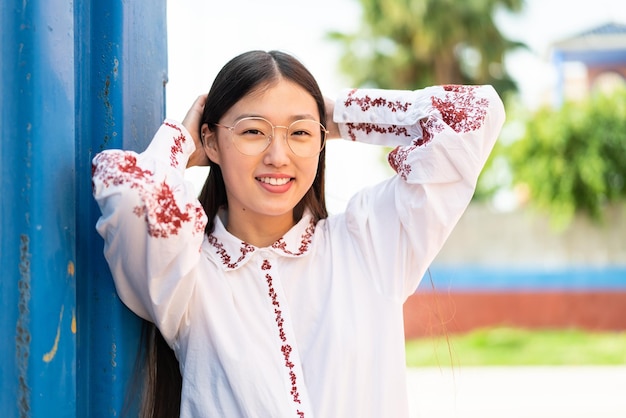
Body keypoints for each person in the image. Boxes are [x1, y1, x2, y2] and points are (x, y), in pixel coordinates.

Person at [92, 49, 505, 418]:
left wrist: (332, 114)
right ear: (211, 142)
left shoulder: (369, 243)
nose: (278, 155)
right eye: (253, 131)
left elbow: (471, 115)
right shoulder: (187, 274)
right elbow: (130, 191)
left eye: (300, 134)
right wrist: (181, 142)